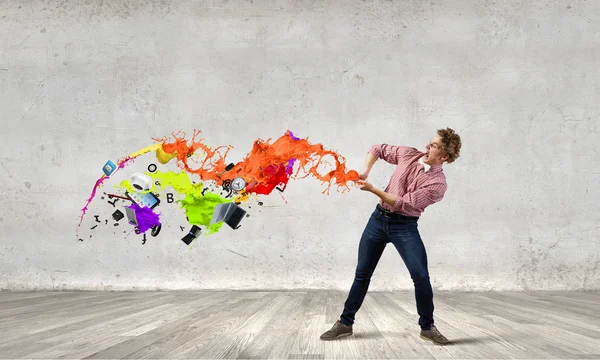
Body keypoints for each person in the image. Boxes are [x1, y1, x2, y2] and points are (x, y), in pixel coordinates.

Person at [319, 128, 462, 345]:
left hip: (404, 226)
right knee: (362, 273)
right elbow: (377, 148)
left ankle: (427, 327)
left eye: (433, 146)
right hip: (377, 220)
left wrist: (373, 189)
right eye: (430, 142)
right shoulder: (408, 154)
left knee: (421, 277)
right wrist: (366, 170)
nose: (426, 147)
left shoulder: (437, 184)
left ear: (444, 156)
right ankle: (345, 323)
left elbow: (402, 203)